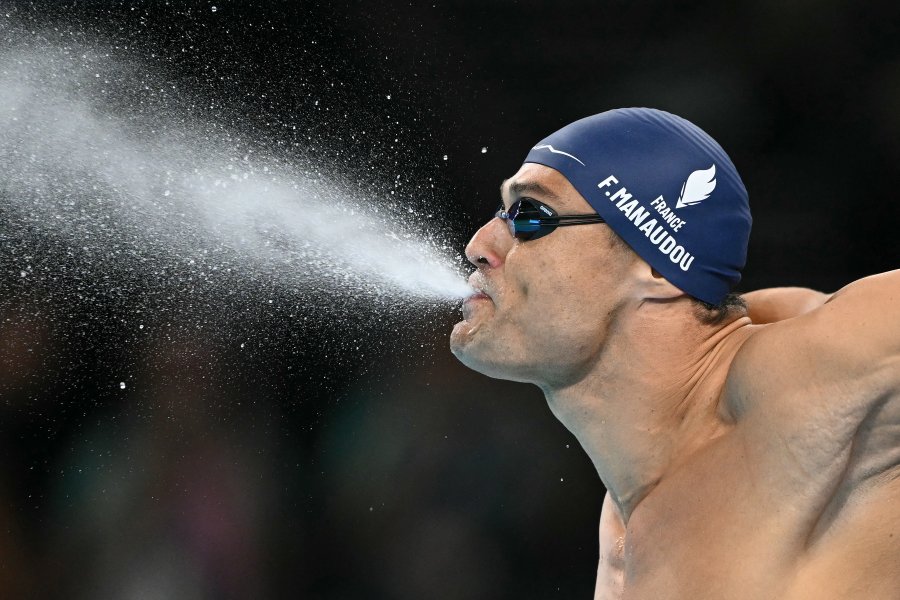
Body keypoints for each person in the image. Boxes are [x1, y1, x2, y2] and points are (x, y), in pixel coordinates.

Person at [449, 108, 899, 599]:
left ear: (658, 266)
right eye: (500, 213)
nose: (479, 245)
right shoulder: (626, 518)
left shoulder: (806, 378)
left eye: (531, 217)